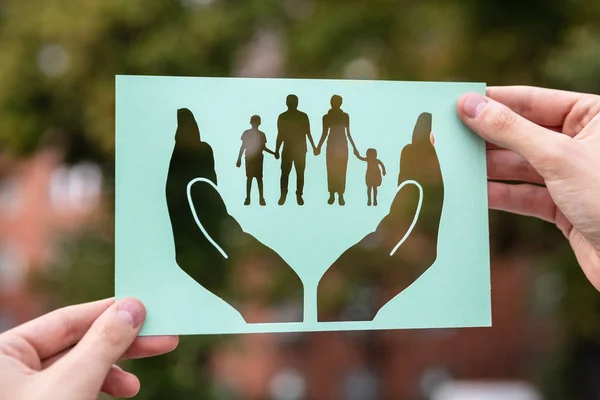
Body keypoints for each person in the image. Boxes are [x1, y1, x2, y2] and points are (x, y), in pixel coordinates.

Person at [2, 86, 600, 398]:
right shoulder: (250, 139)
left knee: (307, 191)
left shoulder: (333, 136)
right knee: (283, 187)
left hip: (331, 172)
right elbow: (245, 160)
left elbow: (323, 143)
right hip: (292, 172)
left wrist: (323, 154)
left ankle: (314, 203)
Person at [316, 95, 359, 206]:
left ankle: (339, 194)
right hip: (333, 145)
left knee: (340, 170)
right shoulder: (327, 117)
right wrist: (319, 147)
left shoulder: (344, 116)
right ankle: (333, 193)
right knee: (333, 169)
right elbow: (324, 133)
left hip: (341, 145)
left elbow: (348, 133)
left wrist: (354, 147)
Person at [275, 94, 317, 206]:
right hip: (291, 149)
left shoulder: (298, 116)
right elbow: (281, 134)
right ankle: (285, 195)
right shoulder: (285, 116)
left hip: (298, 149)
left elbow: (308, 132)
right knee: (288, 173)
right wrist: (277, 149)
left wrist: (314, 147)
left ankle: (297, 195)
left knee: (296, 173)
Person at [236, 115, 277, 206]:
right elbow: (243, 146)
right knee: (252, 178)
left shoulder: (260, 134)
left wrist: (273, 153)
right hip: (251, 158)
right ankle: (251, 198)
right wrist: (238, 159)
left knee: (257, 178)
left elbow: (263, 147)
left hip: (256, 158)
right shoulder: (251, 133)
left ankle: (259, 198)